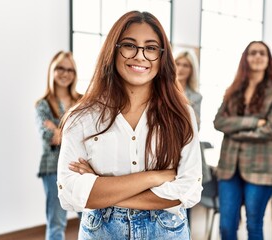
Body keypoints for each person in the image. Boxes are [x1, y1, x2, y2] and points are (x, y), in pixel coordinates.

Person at [57, 11, 202, 240]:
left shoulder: (181, 115)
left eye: (151, 47)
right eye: (129, 45)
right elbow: (71, 193)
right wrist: (154, 177)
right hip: (101, 231)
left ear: (162, 56)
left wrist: (102, 188)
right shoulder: (81, 116)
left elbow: (189, 190)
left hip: (166, 231)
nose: (140, 56)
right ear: (113, 51)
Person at [213, 41, 272, 240]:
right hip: (229, 167)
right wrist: (253, 122)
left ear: (268, 59)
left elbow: (271, 130)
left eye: (262, 53)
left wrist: (234, 130)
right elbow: (219, 122)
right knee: (226, 226)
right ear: (245, 58)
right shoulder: (234, 90)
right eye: (252, 52)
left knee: (254, 225)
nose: (257, 56)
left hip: (261, 169)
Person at [35, 51, 82, 240]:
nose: (65, 73)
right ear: (52, 71)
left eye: (70, 69)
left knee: (89, 217)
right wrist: (68, 133)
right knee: (56, 222)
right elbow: (48, 137)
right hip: (52, 167)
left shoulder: (82, 100)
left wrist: (59, 129)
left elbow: (89, 134)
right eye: (60, 68)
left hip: (80, 167)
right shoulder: (43, 104)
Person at [174, 50, 212, 224]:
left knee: (184, 204)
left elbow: (195, 128)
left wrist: (182, 99)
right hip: (166, 153)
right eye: (178, 63)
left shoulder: (196, 96)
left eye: (186, 65)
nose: (181, 68)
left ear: (191, 70)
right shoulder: (160, 90)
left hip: (186, 155)